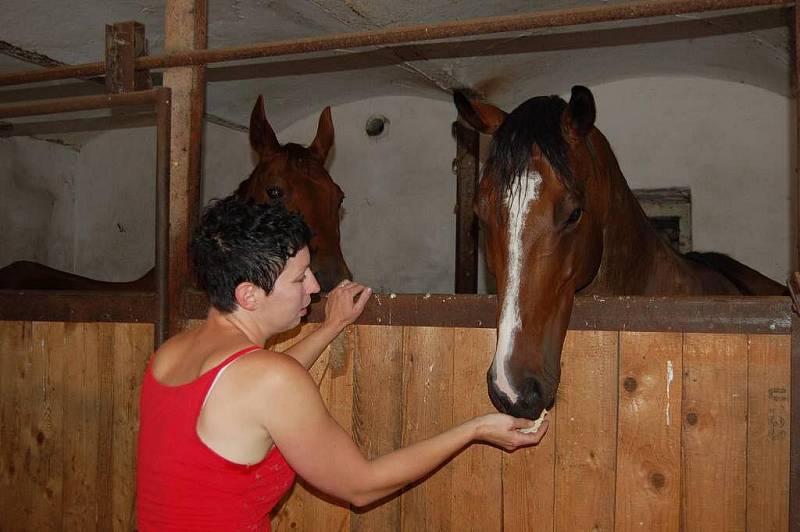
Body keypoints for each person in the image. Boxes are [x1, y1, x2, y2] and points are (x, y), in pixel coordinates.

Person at [136, 194, 548, 531]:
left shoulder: (171, 354)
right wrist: (474, 430)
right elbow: (361, 486)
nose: (314, 287)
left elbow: (253, 390)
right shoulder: (267, 380)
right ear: (248, 296)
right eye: (299, 279)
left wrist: (331, 327)